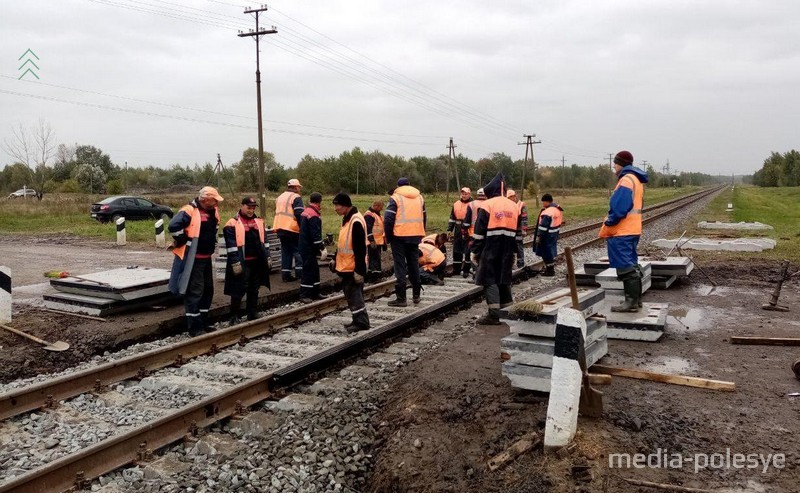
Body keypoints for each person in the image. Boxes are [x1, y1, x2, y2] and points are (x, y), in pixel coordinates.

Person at [168, 186, 223, 336]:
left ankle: (203, 321)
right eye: (214, 200)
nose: (216, 203)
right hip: (194, 259)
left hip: (206, 257)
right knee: (195, 292)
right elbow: (173, 226)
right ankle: (194, 327)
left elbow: (214, 228)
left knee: (207, 290)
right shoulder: (190, 210)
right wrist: (182, 239)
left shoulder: (213, 211)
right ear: (205, 199)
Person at [599, 150, 649, 312]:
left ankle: (631, 302)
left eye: (615, 163)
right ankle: (636, 300)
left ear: (621, 163)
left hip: (623, 230)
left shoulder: (626, 180)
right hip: (633, 229)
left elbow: (620, 206)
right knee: (631, 264)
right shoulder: (635, 179)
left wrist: (609, 220)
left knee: (625, 267)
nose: (614, 166)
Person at [471, 174, 522, 325]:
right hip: (507, 246)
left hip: (491, 245)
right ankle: (507, 310)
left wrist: (475, 250)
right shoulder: (514, 206)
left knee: (489, 278)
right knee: (504, 277)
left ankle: (494, 315)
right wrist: (516, 252)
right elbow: (518, 233)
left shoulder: (487, 205)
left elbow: (479, 231)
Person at [223, 197, 272, 324]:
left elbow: (265, 242)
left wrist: (268, 256)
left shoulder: (259, 221)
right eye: (248, 207)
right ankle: (234, 316)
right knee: (238, 289)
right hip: (242, 262)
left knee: (254, 288)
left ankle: (252, 312)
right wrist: (235, 262)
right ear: (242, 206)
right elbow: (231, 245)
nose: (251, 210)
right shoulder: (232, 223)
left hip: (256, 262)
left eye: (253, 208)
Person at [331, 193, 370, 332]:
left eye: (337, 205)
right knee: (351, 294)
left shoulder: (355, 221)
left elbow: (360, 249)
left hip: (353, 266)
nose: (335, 208)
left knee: (354, 295)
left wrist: (359, 270)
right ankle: (357, 319)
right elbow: (343, 244)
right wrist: (335, 259)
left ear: (346, 205)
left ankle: (362, 322)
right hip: (347, 265)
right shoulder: (348, 219)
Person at [384, 177, 426, 306]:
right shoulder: (420, 197)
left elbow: (388, 219)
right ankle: (416, 295)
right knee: (413, 264)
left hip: (399, 236)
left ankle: (401, 298)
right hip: (415, 235)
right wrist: (420, 231)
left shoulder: (396, 197)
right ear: (409, 185)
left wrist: (388, 236)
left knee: (400, 266)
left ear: (398, 186)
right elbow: (424, 216)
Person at [273, 178, 305, 282]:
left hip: (280, 227)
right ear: (296, 187)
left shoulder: (280, 197)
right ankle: (300, 274)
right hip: (292, 228)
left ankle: (286, 275)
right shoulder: (296, 197)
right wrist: (303, 228)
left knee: (286, 251)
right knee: (298, 251)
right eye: (299, 187)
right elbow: (299, 214)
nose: (299, 189)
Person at [299, 192, 328, 302]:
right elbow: (315, 234)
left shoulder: (306, 211)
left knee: (314, 269)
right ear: (319, 201)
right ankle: (305, 295)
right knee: (308, 270)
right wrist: (321, 247)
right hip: (308, 246)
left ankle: (315, 292)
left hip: (305, 245)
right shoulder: (314, 215)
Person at [533, 193, 564, 276]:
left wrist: (539, 236)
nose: (543, 204)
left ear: (547, 202)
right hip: (554, 233)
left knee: (545, 253)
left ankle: (550, 271)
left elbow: (543, 227)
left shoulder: (547, 212)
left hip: (546, 235)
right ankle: (550, 269)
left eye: (543, 202)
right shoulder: (557, 209)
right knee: (550, 251)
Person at [461, 187, 486, 278]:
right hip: (486, 234)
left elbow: (467, 221)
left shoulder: (471, 204)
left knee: (473, 254)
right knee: (484, 254)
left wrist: (464, 232)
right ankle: (483, 273)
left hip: (473, 234)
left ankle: (476, 274)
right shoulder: (489, 204)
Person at [447, 187, 473, 275]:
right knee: (457, 249)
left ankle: (466, 270)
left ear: (469, 194)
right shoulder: (456, 204)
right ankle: (456, 269)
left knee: (467, 250)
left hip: (468, 229)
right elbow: (452, 218)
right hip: (458, 228)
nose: (464, 195)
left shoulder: (472, 204)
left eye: (466, 194)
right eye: (463, 194)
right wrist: (450, 229)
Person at [364, 200, 386, 280]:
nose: (381, 209)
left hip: (378, 241)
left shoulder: (376, 214)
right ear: (376, 206)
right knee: (374, 259)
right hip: (373, 241)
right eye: (381, 207)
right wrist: (371, 240)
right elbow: (368, 228)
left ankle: (374, 275)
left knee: (376, 258)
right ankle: (374, 276)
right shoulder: (369, 215)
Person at [506, 189, 528, 268]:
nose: (512, 198)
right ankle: (510, 263)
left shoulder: (521, 205)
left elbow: (524, 218)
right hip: (509, 229)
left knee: (519, 246)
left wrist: (524, 229)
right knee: (509, 247)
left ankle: (520, 263)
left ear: (515, 196)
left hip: (518, 230)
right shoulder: (506, 205)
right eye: (510, 197)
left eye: (513, 196)